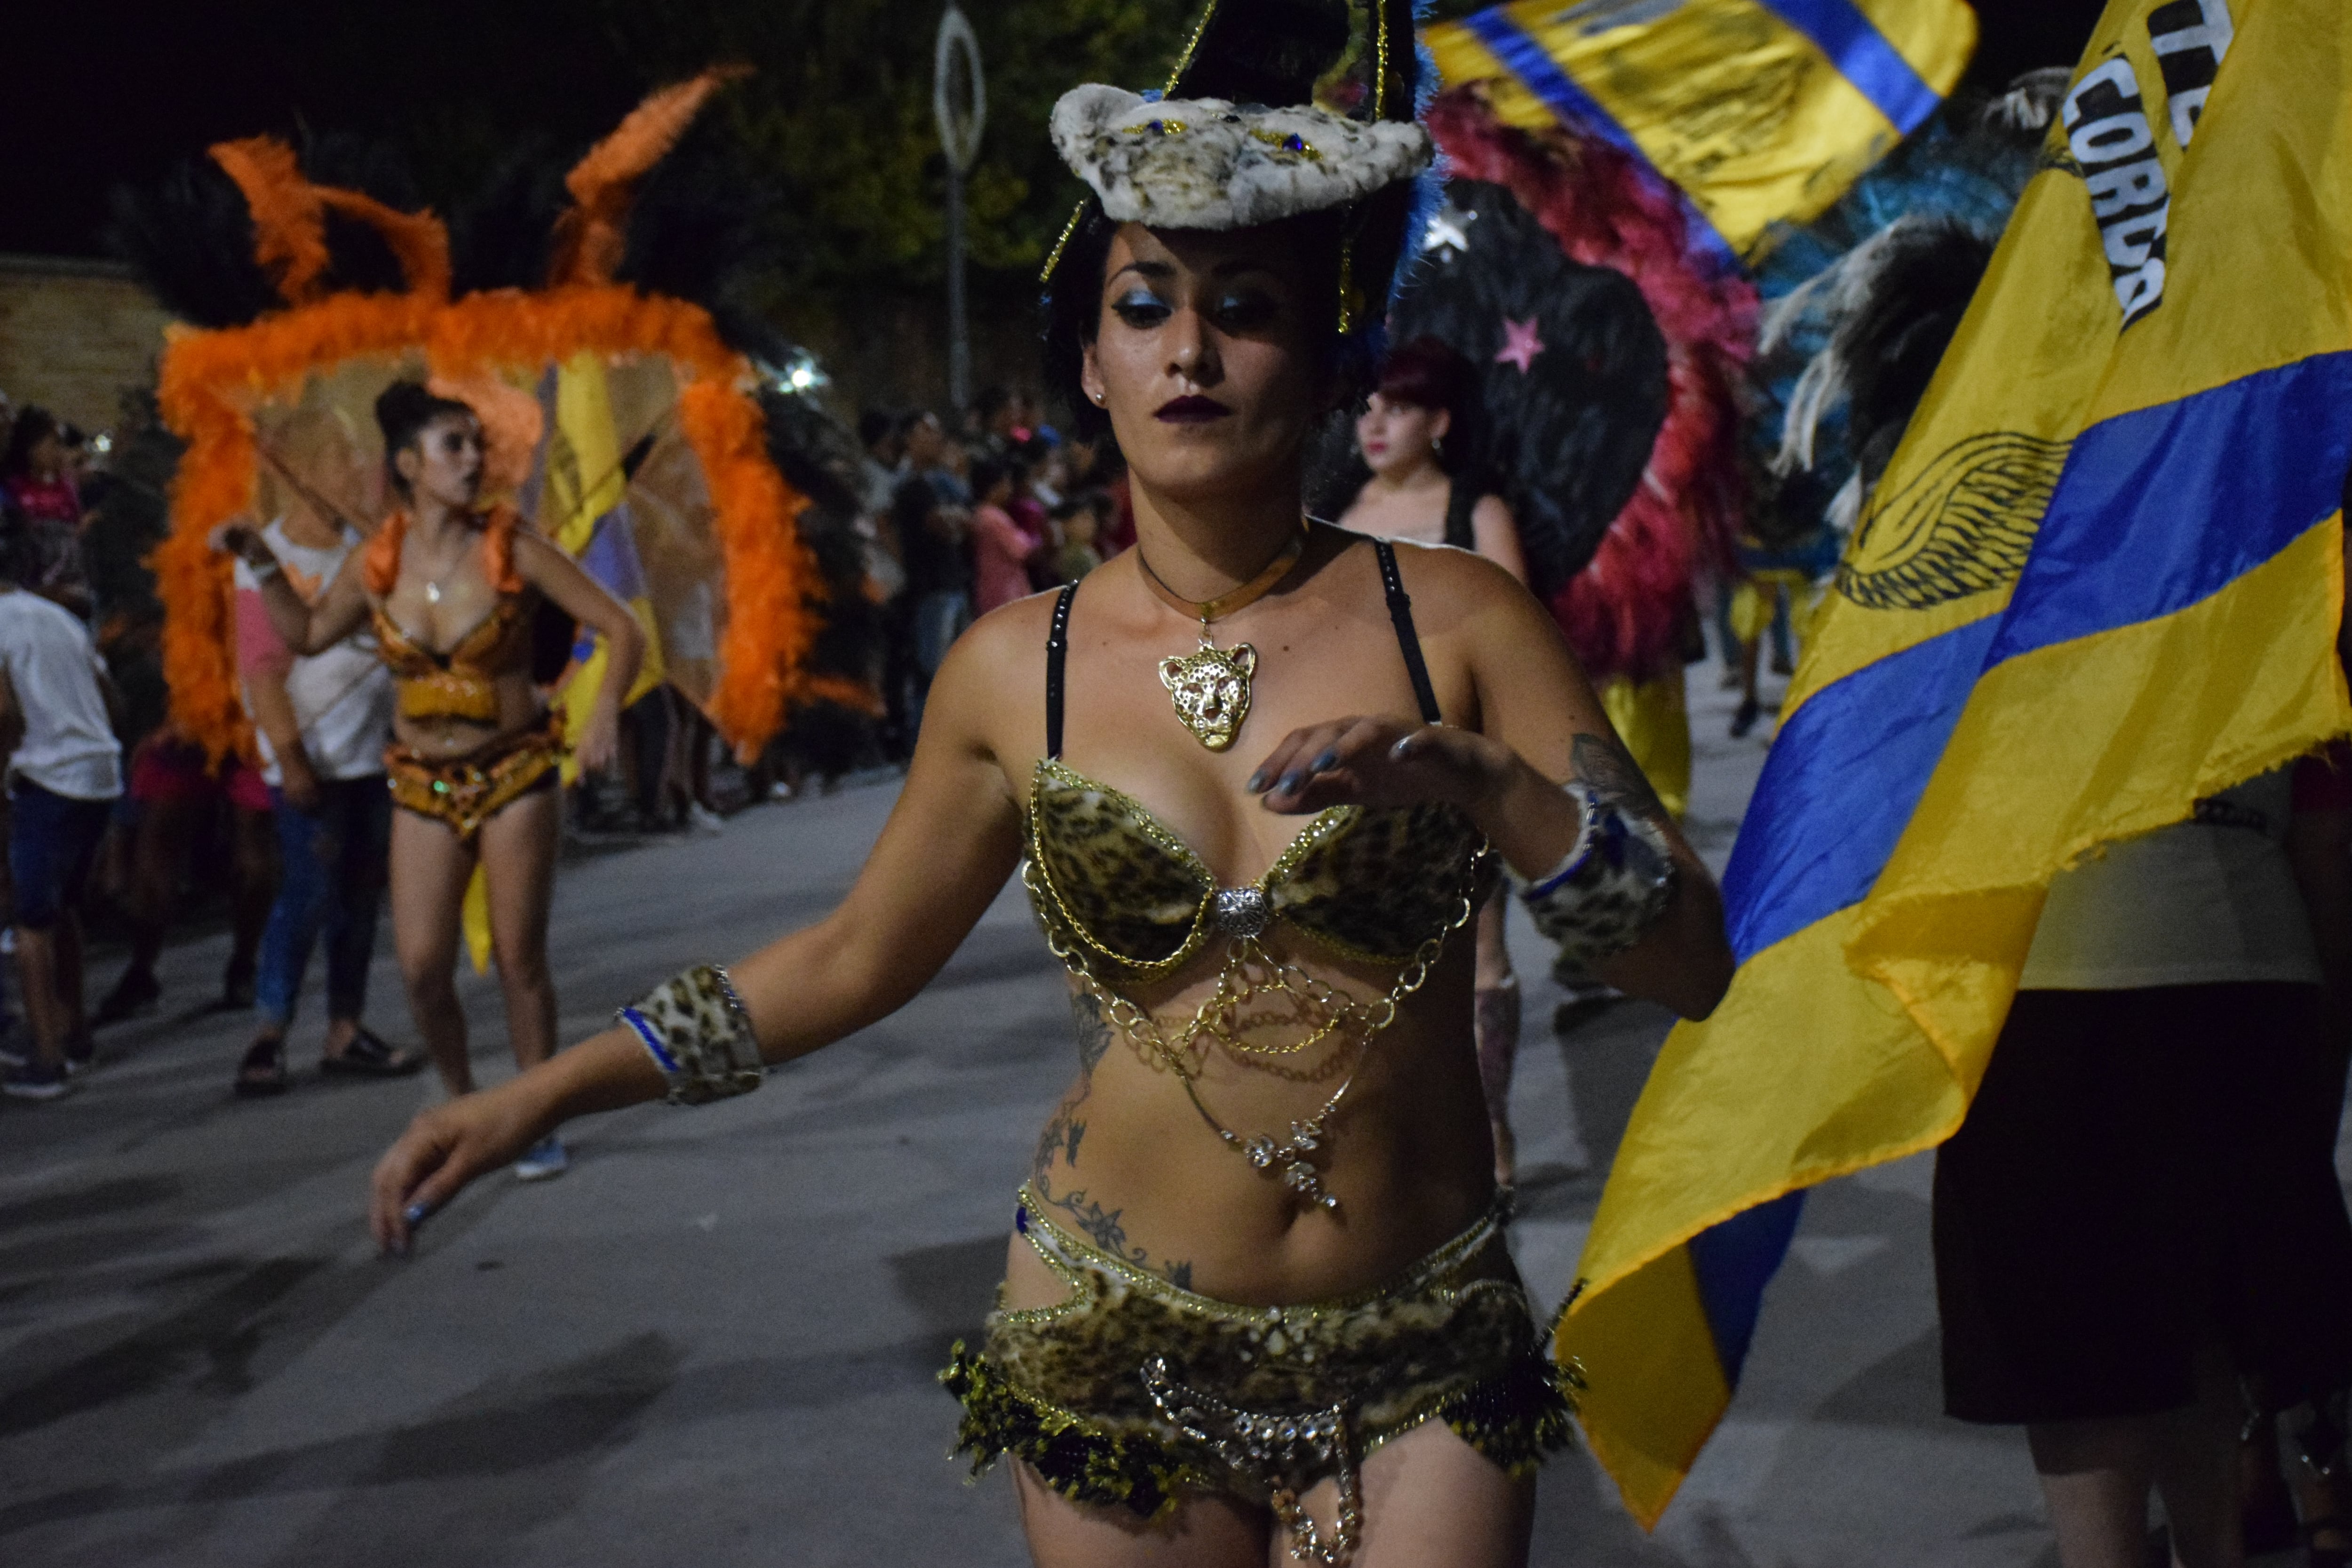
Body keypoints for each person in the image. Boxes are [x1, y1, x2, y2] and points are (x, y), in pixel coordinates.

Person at [367, 40, 1732, 1568]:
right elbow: (845, 960)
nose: (1191, 352)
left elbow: (1693, 960)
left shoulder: (1463, 622)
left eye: (1248, 309)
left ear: (1330, 363)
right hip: (1106, 1331)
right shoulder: (1017, 666)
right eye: (1145, 306)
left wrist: (1494, 791)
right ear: (1091, 361)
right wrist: (541, 1090)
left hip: (1423, 1345)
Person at [1932, 749, 2352, 1568]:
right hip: (2252, 972)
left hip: (2047, 972)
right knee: (2205, 1331)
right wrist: (2320, 1041)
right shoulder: (2291, 613)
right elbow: (2326, 831)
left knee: (2078, 1368)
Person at [221, 382, 643, 1180]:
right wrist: (262, 560)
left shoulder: (512, 546)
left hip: (515, 770)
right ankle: (463, 1102)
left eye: (477, 445)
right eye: (454, 446)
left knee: (520, 956)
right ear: (409, 464)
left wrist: (604, 717)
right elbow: (307, 635)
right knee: (420, 964)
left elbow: (620, 626)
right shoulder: (376, 560)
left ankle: (534, 1109)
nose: (474, 459)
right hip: (421, 782)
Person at [1338, 335, 1531, 1183]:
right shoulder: (1333, 517)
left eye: (1400, 407)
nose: (1375, 424)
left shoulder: (1476, 513)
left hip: (1457, 765)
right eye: (1367, 407)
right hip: (1356, 772)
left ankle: (1489, 1129)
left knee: (1481, 951)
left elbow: (1514, 641)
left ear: (1441, 420)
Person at [228, 488, 418, 1095]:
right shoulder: (271, 555)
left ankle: (345, 1029)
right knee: (306, 895)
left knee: (357, 902)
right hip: (311, 763)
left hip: (369, 757)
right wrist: (290, 758)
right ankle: (269, 1032)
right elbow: (260, 670)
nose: (358, 471)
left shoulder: (368, 544)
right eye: (342, 457)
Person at [0, 533, 122, 1099]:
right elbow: (112, 697)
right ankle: (76, 1031)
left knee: (30, 925)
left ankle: (46, 1057)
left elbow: (3, 712)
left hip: (48, 776)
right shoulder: (57, 618)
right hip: (99, 772)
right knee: (64, 909)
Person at [893, 410, 973, 737]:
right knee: (934, 672)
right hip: (930, 588)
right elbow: (941, 524)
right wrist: (954, 519)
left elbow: (969, 521)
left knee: (958, 671)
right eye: (927, 431)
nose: (936, 439)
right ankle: (924, 748)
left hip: (952, 583)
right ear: (909, 439)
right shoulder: (911, 485)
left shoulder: (942, 483)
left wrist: (955, 518)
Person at [0, 406, 94, 619]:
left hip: (68, 576)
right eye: (53, 444)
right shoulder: (14, 489)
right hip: (30, 582)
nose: (59, 452)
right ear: (32, 448)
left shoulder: (66, 488)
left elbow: (74, 526)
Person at [969, 457, 1048, 616]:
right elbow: (1025, 552)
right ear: (995, 486)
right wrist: (1049, 539)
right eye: (1006, 483)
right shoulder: (993, 516)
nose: (1010, 489)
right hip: (1005, 593)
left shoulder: (981, 513)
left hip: (992, 589)